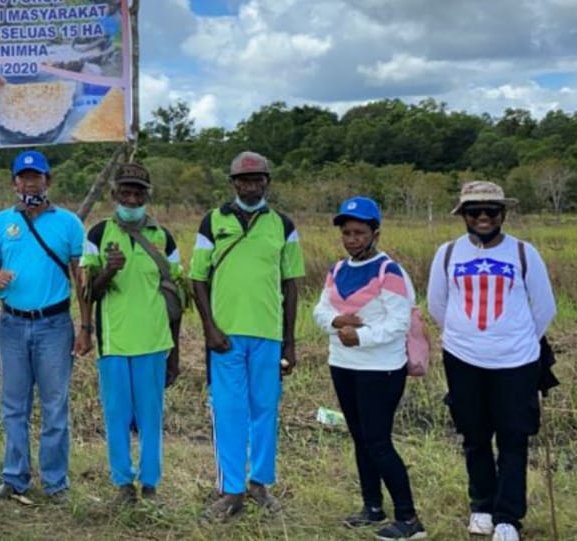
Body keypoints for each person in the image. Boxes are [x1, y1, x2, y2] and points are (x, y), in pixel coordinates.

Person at [428, 181, 556, 541]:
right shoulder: (448, 253)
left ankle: (508, 517)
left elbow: (544, 307)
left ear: (503, 214)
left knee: (514, 437)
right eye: (474, 211)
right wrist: (466, 337)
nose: (483, 217)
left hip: (516, 361)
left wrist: (516, 341)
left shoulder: (524, 253)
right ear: (463, 215)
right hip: (463, 358)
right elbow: (438, 304)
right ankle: (482, 506)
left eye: (491, 210)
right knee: (474, 434)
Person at [189, 151, 304, 520]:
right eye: (243, 180)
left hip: (268, 334)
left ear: (267, 182)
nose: (251, 186)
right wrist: (210, 328)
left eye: (257, 179)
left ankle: (259, 484)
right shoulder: (212, 222)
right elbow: (197, 279)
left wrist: (289, 342)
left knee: (265, 409)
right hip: (226, 337)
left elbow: (291, 284)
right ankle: (231, 490)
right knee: (228, 410)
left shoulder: (283, 225)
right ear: (233, 183)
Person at [312, 197, 426, 540]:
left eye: (359, 232)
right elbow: (320, 311)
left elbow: (398, 324)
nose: (352, 239)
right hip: (342, 365)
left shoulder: (389, 272)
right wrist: (336, 321)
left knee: (378, 442)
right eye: (347, 233)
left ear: (375, 233)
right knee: (360, 439)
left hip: (381, 369)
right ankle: (372, 507)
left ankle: (408, 519)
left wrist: (359, 337)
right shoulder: (337, 269)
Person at [0, 150, 89, 502]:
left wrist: (86, 326)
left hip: (54, 326)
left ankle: (56, 482)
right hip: (12, 325)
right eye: (23, 177)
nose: (30, 183)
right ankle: (14, 477)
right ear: (14, 183)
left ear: (48, 180)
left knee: (55, 406)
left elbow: (81, 278)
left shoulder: (69, 223)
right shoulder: (1, 222)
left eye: (36, 177)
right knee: (14, 406)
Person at [79, 163, 182, 505]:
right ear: (114, 195)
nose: (132, 199)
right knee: (117, 418)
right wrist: (109, 270)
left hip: (154, 342)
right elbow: (89, 293)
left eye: (138, 193)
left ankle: (150, 485)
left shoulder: (163, 237)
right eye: (126, 192)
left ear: (147, 196)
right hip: (115, 343)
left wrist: (175, 352)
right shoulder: (97, 234)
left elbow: (176, 297)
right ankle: (123, 484)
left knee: (151, 418)